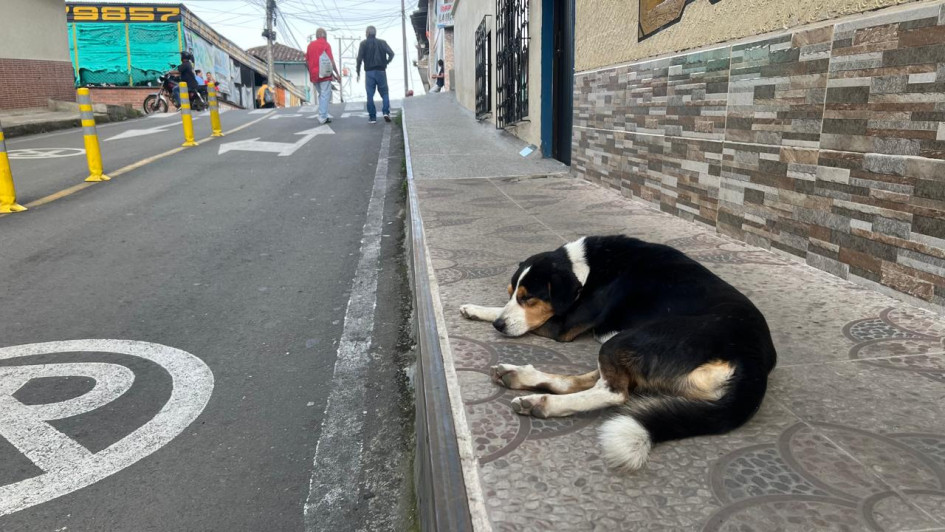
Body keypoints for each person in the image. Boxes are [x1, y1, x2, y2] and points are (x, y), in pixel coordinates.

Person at [356, 25, 395, 123]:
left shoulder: (363, 44)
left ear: (367, 33)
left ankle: (372, 117)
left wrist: (358, 71)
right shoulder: (382, 42)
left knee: (370, 94)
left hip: (369, 72)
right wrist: (386, 62)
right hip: (381, 71)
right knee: (385, 92)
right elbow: (391, 53)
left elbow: (359, 58)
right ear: (375, 33)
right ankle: (386, 112)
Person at [306, 27, 341, 124]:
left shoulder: (310, 45)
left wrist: (311, 73)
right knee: (325, 95)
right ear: (325, 36)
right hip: (324, 74)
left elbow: (307, 61)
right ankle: (322, 117)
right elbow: (331, 60)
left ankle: (323, 113)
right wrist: (337, 74)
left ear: (317, 36)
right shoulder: (326, 44)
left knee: (322, 94)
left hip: (314, 75)